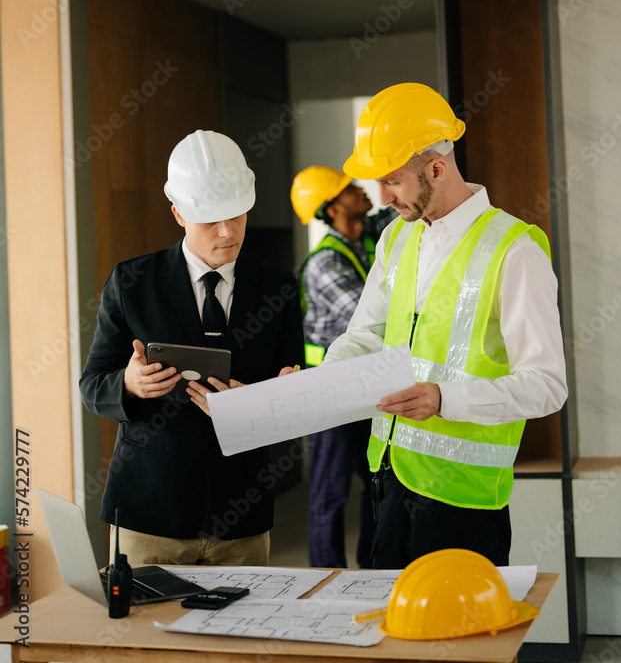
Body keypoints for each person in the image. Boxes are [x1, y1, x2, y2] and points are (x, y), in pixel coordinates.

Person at [322, 83, 568, 569]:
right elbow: (365, 336)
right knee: (392, 634)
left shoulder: (514, 250)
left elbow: (547, 386)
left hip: (464, 502)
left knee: (460, 640)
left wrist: (443, 399)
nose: (381, 198)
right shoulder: (395, 238)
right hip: (388, 482)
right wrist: (320, 380)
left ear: (436, 168)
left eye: (392, 182)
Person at [80, 130, 305, 567]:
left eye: (237, 215)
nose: (228, 232)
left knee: (239, 634)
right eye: (211, 221)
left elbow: (291, 382)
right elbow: (92, 385)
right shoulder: (132, 282)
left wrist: (269, 400)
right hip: (150, 514)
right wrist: (128, 383)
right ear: (179, 214)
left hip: (242, 513)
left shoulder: (277, 287)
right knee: (145, 634)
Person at [290, 166, 392, 569]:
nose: (361, 190)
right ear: (332, 209)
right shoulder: (325, 263)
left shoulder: (367, 237)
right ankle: (326, 576)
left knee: (375, 485)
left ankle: (369, 570)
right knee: (329, 492)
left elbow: (403, 210)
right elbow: (367, 317)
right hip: (329, 392)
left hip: (366, 386)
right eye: (348, 188)